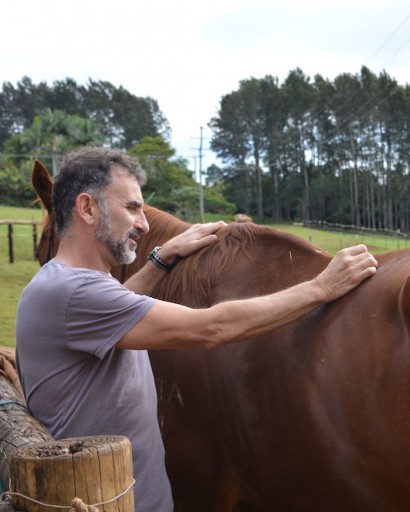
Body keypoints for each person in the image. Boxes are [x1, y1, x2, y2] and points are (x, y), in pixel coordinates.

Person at [15, 146, 378, 511]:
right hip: (106, 504)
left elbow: (118, 308)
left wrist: (162, 256)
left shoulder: (64, 285)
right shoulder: (76, 292)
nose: (143, 224)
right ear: (88, 208)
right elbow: (211, 328)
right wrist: (321, 287)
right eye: (131, 208)